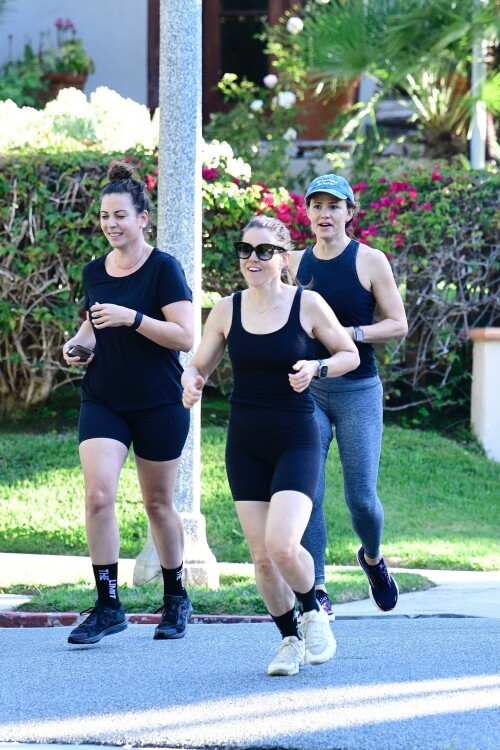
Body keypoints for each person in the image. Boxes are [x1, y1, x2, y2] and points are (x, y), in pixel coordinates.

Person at [182, 215, 359, 676]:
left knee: (283, 544)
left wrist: (316, 370)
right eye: (245, 250)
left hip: (296, 437)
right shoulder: (226, 309)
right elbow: (197, 363)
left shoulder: (308, 304)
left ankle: (314, 608)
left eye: (264, 251)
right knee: (261, 555)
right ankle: (289, 640)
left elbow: (349, 354)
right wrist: (191, 381)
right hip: (245, 441)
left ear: (283, 257)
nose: (252, 259)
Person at [63, 161, 194, 645]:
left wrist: (133, 317)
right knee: (98, 496)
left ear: (143, 218)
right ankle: (107, 605)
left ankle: (176, 597)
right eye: (104, 216)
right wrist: (77, 346)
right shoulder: (94, 272)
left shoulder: (164, 269)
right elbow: (95, 323)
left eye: (120, 215)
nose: (111, 224)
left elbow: (185, 336)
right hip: (104, 398)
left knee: (159, 503)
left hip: (159, 401)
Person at [289, 174, 408, 617]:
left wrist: (349, 334)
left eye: (334, 206)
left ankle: (373, 559)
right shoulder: (295, 263)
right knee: (309, 493)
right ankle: (317, 589)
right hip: (310, 391)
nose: (325, 214)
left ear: (350, 213)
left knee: (361, 498)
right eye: (317, 206)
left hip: (358, 390)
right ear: (308, 213)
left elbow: (397, 324)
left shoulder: (370, 261)